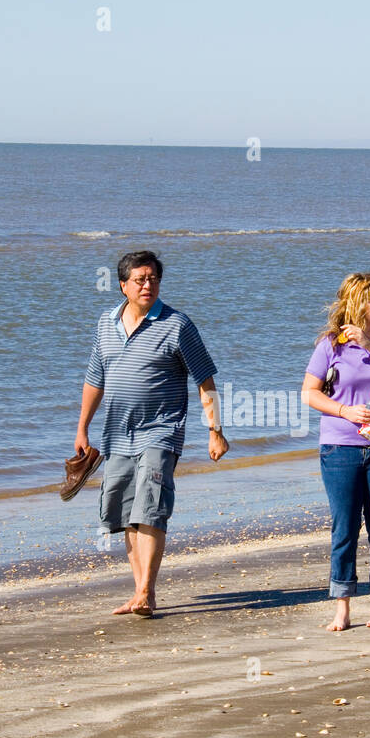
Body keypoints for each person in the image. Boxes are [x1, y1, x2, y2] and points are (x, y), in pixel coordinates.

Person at [75, 251, 229, 616]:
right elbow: (94, 379)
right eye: (140, 279)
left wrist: (215, 431)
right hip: (116, 434)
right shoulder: (105, 323)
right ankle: (140, 591)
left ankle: (146, 591)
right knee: (128, 513)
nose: (148, 285)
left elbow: (205, 379)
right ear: (123, 285)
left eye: (153, 279)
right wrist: (82, 428)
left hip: (162, 431)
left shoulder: (177, 325)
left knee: (152, 508)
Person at [301, 272, 370, 631]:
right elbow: (309, 393)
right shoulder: (330, 345)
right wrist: (344, 411)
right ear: (357, 302)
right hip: (339, 447)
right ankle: (342, 606)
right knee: (344, 528)